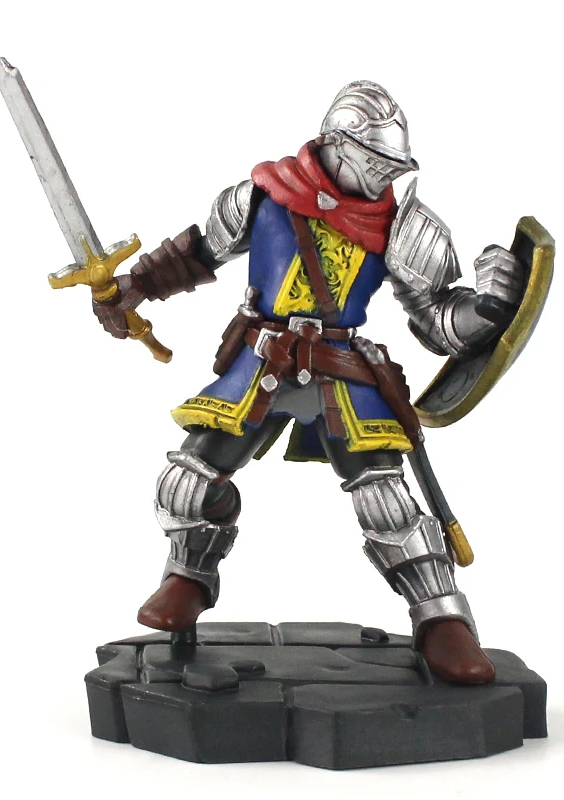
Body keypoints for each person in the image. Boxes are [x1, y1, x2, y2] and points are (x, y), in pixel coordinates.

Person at [93, 81, 524, 685]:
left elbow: (439, 322)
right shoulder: (262, 195)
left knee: (387, 499)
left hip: (342, 368)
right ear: (336, 145)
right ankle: (188, 577)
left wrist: (490, 306)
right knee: (185, 483)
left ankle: (441, 618)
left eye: (392, 167)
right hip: (261, 362)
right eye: (374, 162)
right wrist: (134, 287)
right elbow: (197, 253)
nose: (383, 176)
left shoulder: (407, 228)